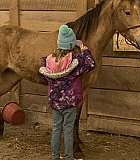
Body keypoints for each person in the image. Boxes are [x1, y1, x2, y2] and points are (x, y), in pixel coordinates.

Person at [39, 24, 95, 160]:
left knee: (56, 129)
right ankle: (69, 157)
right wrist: (84, 48)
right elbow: (91, 63)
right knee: (68, 130)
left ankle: (55, 157)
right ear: (71, 45)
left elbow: (41, 63)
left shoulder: (49, 60)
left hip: (55, 103)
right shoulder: (76, 61)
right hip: (70, 104)